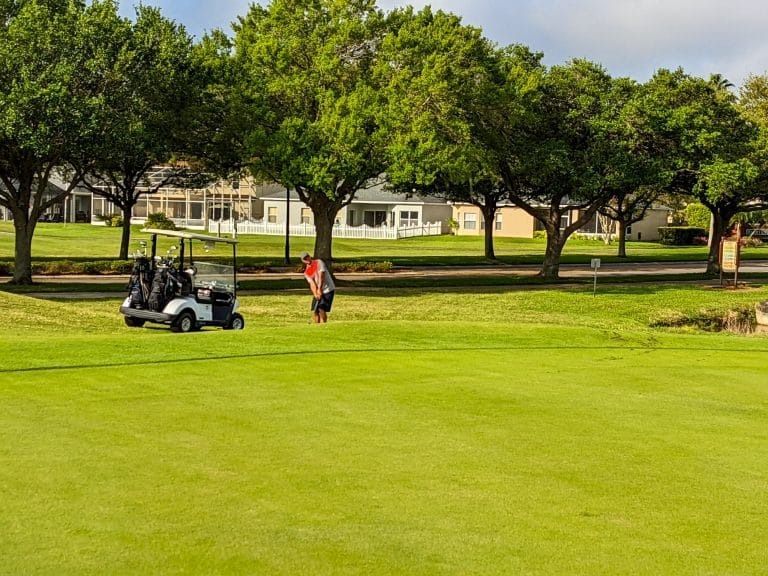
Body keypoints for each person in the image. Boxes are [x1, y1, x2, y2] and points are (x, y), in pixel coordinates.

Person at [301, 251, 336, 323]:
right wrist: (315, 294)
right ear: (303, 261)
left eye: (307, 257)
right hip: (317, 291)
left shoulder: (319, 262)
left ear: (310, 257)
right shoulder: (307, 272)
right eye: (305, 259)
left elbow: (321, 276)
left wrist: (319, 289)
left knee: (321, 308)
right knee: (315, 310)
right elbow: (312, 283)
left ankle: (323, 325)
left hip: (328, 289)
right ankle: (317, 326)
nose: (307, 259)